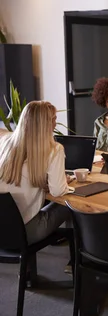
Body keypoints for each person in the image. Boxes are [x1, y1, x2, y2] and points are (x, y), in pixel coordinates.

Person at [0, 101, 72, 244]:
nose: (55, 125)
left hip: (2, 232)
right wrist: (64, 181)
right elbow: (58, 191)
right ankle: (80, 256)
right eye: (54, 120)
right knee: (70, 204)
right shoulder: (54, 150)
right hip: (24, 234)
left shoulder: (6, 143)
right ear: (45, 123)